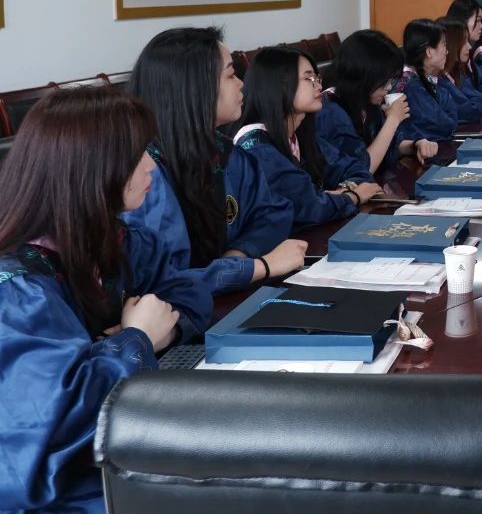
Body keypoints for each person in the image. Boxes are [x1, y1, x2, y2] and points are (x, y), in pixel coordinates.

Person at [0, 88, 212, 513]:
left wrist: (162, 330)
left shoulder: (117, 240)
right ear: (93, 167)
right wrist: (136, 338)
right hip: (68, 490)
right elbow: (52, 423)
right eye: (138, 155)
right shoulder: (16, 290)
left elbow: (185, 291)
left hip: (128, 442)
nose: (151, 165)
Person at [125, 27, 305, 294]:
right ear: (194, 87)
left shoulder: (224, 152)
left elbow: (272, 212)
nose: (241, 83)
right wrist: (257, 267)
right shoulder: (144, 175)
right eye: (231, 75)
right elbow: (165, 283)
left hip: (226, 298)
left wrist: (239, 255)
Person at [236, 47, 382, 230]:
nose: (319, 86)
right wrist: (353, 196)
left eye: (317, 78)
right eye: (308, 78)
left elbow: (356, 168)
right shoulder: (256, 145)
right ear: (278, 85)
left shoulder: (299, 136)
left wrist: (344, 189)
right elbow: (309, 208)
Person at [318, 29, 418, 175]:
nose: (389, 87)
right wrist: (393, 120)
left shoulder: (367, 100)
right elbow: (361, 170)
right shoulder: (330, 109)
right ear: (364, 75)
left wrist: (414, 146)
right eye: (384, 80)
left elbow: (385, 146)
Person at [396, 18, 457, 152]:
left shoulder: (425, 78)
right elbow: (445, 126)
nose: (447, 52)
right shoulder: (411, 86)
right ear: (429, 52)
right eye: (444, 45)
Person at [440, 18, 482, 123]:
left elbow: (477, 99)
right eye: (464, 42)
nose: (469, 47)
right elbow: (472, 110)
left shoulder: (457, 70)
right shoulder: (439, 78)